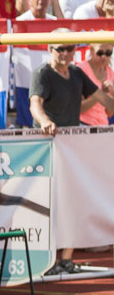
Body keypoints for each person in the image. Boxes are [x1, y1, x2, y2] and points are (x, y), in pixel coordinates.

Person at [30, 31, 114, 275]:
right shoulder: (42, 73)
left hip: (73, 145)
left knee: (74, 199)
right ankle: (47, 256)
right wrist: (45, 120)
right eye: (60, 49)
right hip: (48, 144)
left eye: (70, 49)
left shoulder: (76, 73)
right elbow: (35, 103)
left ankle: (66, 258)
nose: (65, 54)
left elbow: (106, 104)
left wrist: (109, 93)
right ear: (50, 48)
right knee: (49, 201)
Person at [77, 43, 114, 126]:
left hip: (102, 125)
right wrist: (101, 94)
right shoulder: (81, 70)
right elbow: (78, 109)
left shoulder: (111, 73)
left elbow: (109, 113)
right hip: (82, 124)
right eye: (100, 53)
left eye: (108, 53)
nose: (103, 56)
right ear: (92, 51)